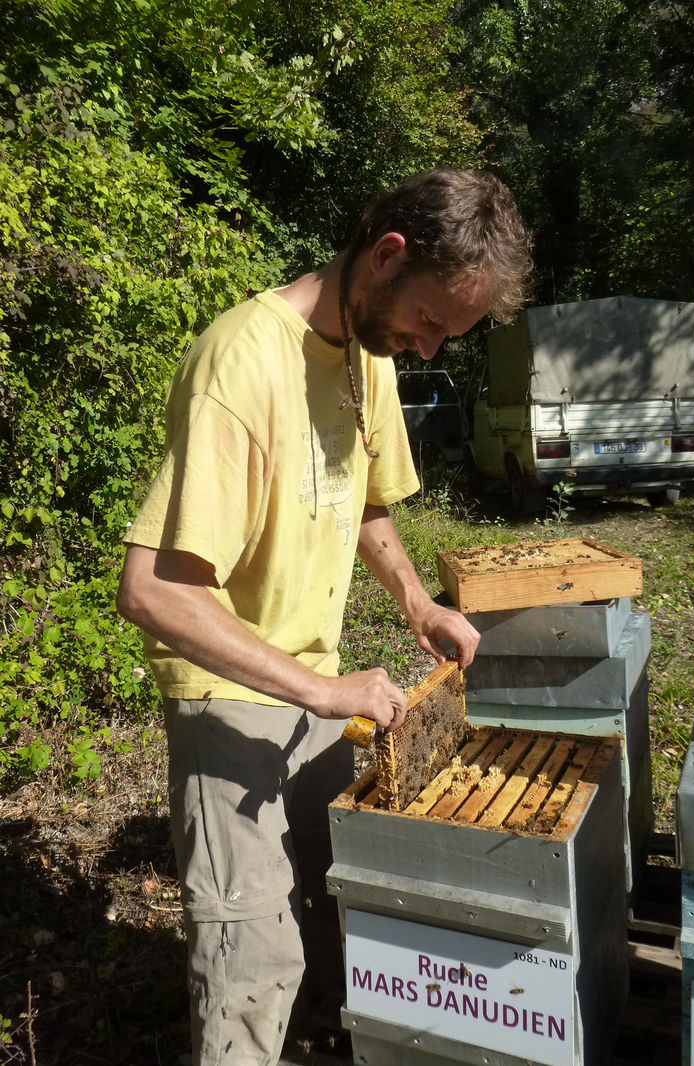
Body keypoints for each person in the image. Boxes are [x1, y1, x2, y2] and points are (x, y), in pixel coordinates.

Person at [116, 167, 531, 1066]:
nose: (427, 350)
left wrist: (419, 603)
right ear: (387, 257)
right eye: (429, 322)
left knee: (336, 909)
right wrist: (319, 684)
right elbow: (154, 590)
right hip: (229, 698)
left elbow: (369, 500)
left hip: (314, 691)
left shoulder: (363, 358)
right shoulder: (241, 361)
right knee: (250, 953)